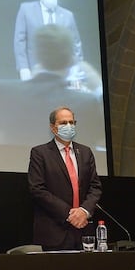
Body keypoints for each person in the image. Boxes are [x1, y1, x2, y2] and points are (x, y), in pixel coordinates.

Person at [0, 24, 105, 148]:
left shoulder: (6, 92)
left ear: (36, 54)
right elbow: (102, 134)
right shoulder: (86, 103)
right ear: (72, 59)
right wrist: (99, 88)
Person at [28, 106, 102, 250]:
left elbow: (95, 187)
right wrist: (70, 214)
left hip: (84, 229)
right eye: (63, 123)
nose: (69, 126)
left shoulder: (85, 152)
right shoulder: (40, 153)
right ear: (52, 127)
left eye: (72, 122)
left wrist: (83, 211)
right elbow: (37, 189)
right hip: (55, 230)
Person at [14, 0, 83, 81]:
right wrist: (23, 67)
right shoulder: (26, 9)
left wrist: (76, 68)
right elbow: (19, 41)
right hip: (34, 69)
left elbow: (76, 43)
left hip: (61, 71)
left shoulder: (68, 15)